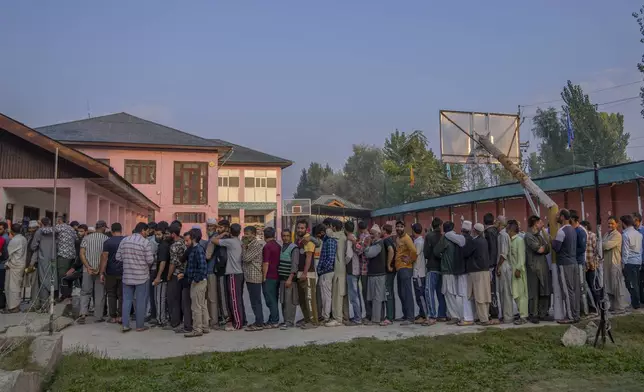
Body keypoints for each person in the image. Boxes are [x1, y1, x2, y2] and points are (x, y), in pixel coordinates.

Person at [116, 222, 154, 332]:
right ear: (142, 230)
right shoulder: (145, 242)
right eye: (147, 231)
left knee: (127, 300)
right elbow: (150, 260)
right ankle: (139, 325)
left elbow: (118, 257)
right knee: (140, 300)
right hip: (141, 276)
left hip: (127, 276)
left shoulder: (124, 240)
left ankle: (125, 325)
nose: (147, 233)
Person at [434, 221, 469, 325]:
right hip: (457, 269)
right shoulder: (458, 238)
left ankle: (454, 316)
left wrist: (442, 257)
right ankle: (460, 314)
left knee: (448, 293)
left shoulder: (445, 238)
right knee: (457, 294)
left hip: (447, 270)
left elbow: (436, 251)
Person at [213, 223, 245, 331]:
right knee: (238, 299)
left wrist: (223, 234)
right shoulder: (239, 242)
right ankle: (241, 320)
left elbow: (214, 241)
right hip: (239, 273)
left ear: (230, 231)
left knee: (234, 300)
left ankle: (237, 324)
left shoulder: (230, 242)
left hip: (233, 274)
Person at [552, 209, 580, 324]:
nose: (556, 217)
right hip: (573, 262)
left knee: (567, 290)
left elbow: (556, 247)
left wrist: (551, 241)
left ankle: (570, 316)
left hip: (564, 263)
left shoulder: (561, 231)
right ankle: (576, 313)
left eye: (558, 215)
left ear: (563, 217)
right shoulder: (573, 230)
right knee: (574, 290)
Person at [78, 220, 109, 324]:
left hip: (87, 270)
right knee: (100, 293)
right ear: (104, 228)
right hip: (101, 270)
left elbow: (81, 253)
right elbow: (106, 256)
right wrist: (100, 269)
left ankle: (83, 313)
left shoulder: (86, 238)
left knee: (85, 291)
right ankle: (98, 316)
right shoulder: (106, 239)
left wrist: (88, 266)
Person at [463, 222, 493, 325]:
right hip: (485, 270)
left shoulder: (474, 242)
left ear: (474, 231)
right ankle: (483, 316)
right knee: (485, 295)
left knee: (479, 296)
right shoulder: (484, 241)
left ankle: (483, 319)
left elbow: (465, 253)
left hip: (476, 271)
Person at [524, 215, 551, 323]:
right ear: (535, 223)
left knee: (544, 290)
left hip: (543, 267)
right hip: (533, 268)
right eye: (541, 223)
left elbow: (547, 248)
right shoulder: (529, 236)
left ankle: (543, 313)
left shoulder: (540, 236)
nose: (543, 225)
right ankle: (533, 314)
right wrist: (545, 246)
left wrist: (545, 245)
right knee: (534, 292)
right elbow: (540, 249)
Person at [40, 216, 77, 296]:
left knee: (62, 275)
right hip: (72, 255)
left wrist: (40, 225)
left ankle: (65, 295)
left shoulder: (60, 227)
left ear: (59, 221)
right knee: (69, 275)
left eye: (57, 221)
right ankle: (69, 293)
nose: (56, 223)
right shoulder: (71, 228)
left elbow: (46, 230)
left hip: (63, 255)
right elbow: (76, 238)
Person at [184, 228, 208, 337]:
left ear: (193, 237)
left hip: (198, 282)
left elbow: (203, 267)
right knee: (202, 305)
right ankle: (204, 326)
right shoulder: (195, 249)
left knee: (196, 306)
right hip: (198, 281)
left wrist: (195, 279)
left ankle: (197, 329)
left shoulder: (198, 249)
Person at [99, 223, 125, 324]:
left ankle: (112, 316)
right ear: (121, 230)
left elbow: (104, 258)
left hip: (110, 272)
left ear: (112, 231)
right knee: (122, 295)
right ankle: (121, 316)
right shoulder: (125, 240)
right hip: (123, 271)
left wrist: (101, 272)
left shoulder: (107, 242)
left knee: (111, 294)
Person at [602, 216, 628, 313]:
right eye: (609, 223)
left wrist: (602, 243)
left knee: (616, 286)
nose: (610, 225)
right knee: (609, 285)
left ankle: (620, 307)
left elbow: (606, 245)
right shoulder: (606, 234)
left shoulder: (617, 235)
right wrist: (602, 244)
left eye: (612, 223)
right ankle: (612, 306)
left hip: (615, 263)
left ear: (617, 224)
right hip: (607, 264)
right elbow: (600, 245)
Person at [296, 220, 319, 328]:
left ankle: (313, 321)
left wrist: (305, 273)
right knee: (302, 300)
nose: (300, 230)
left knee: (309, 299)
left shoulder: (308, 241)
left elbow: (309, 258)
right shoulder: (299, 241)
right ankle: (306, 319)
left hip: (308, 273)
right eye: (299, 227)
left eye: (302, 228)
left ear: (306, 229)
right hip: (300, 273)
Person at [363, 224, 387, 324]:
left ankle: (376, 319)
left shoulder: (379, 244)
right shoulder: (376, 243)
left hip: (378, 274)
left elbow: (369, 254)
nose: (371, 235)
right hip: (374, 274)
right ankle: (377, 317)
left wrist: (367, 245)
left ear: (377, 234)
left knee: (377, 297)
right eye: (370, 233)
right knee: (374, 297)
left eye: (372, 234)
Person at [242, 225, 265, 331]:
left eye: (248, 234)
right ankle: (257, 321)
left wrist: (243, 246)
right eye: (245, 234)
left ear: (254, 234)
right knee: (253, 300)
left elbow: (246, 258)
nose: (246, 236)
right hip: (250, 276)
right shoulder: (250, 244)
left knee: (256, 301)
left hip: (255, 276)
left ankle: (259, 322)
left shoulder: (255, 245)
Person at [424, 217, 446, 325]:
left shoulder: (429, 236)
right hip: (442, 268)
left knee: (429, 291)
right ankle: (442, 314)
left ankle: (432, 315)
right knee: (440, 292)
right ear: (440, 225)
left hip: (432, 267)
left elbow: (426, 254)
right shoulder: (443, 237)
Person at [394, 221, 416, 326]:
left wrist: (409, 260)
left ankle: (410, 317)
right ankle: (405, 315)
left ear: (404, 228)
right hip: (399, 268)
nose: (399, 228)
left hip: (406, 268)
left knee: (407, 293)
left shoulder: (407, 239)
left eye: (401, 227)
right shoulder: (398, 238)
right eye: (397, 226)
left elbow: (414, 251)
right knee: (401, 293)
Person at [31, 217, 55, 311]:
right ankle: (50, 304)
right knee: (52, 280)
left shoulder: (39, 231)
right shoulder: (55, 231)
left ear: (41, 223)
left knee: (43, 281)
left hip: (43, 258)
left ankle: (44, 306)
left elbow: (33, 246)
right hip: (53, 258)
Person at [166, 225, 187, 330]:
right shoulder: (184, 242)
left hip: (176, 274)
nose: (166, 235)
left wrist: (168, 276)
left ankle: (174, 322)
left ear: (173, 234)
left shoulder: (174, 246)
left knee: (172, 299)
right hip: (184, 274)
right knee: (181, 299)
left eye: (168, 233)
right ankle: (181, 320)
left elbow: (173, 263)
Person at [507, 220, 528, 325]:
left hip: (518, 272)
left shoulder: (519, 240)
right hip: (512, 271)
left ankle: (523, 316)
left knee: (521, 295)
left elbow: (521, 257)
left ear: (511, 230)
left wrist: (519, 269)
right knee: (515, 294)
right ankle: (520, 313)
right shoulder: (510, 240)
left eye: (508, 229)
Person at [570, 210, 590, 317]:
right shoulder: (573, 230)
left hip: (579, 262)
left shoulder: (580, 231)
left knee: (582, 287)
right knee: (577, 287)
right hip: (574, 262)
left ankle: (586, 310)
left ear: (573, 220)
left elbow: (582, 248)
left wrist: (570, 252)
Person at [621, 214, 643, 310]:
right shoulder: (639, 234)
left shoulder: (625, 235)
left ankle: (635, 304)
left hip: (629, 261)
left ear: (623, 223)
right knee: (636, 283)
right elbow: (641, 249)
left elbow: (625, 251)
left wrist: (623, 263)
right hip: (638, 261)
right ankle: (637, 302)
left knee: (630, 284)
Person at [278, 228, 299, 329]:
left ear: (291, 237)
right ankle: (286, 320)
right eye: (283, 236)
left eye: (287, 236)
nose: (285, 238)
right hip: (282, 278)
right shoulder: (282, 247)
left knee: (290, 302)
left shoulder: (294, 248)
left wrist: (290, 278)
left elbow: (294, 265)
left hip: (289, 280)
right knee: (283, 302)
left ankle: (290, 322)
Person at [4, 224, 27, 313]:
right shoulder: (23, 238)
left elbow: (8, 254)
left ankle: (13, 307)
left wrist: (7, 263)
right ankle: (16, 305)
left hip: (14, 265)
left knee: (12, 287)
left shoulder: (14, 240)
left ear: (12, 231)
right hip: (21, 264)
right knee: (17, 285)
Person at [151, 222, 171, 327]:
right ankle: (161, 318)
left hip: (162, 277)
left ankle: (161, 319)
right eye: (156, 235)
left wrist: (158, 277)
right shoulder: (164, 244)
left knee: (159, 298)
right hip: (163, 276)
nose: (157, 237)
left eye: (158, 234)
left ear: (163, 234)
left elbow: (162, 262)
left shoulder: (163, 246)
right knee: (160, 298)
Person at [495, 216, 513, 323]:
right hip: (502, 265)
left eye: (496, 221)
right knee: (502, 292)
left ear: (500, 223)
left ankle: (508, 316)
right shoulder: (501, 235)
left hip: (503, 265)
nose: (495, 222)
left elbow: (503, 254)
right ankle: (505, 314)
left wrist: (498, 266)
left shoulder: (503, 235)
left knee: (506, 291)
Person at [202, 218, 219, 329]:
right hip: (210, 270)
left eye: (211, 226)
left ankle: (214, 322)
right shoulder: (212, 237)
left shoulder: (213, 238)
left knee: (212, 298)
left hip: (211, 271)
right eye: (208, 226)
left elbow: (207, 255)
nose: (209, 228)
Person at [581, 220, 600, 315]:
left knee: (593, 287)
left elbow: (596, 251)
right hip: (584, 265)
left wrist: (594, 263)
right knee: (585, 288)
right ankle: (590, 307)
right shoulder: (581, 235)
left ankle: (598, 307)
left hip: (591, 265)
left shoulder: (592, 235)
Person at [482, 213, 500, 320]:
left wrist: (490, 264)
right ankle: (495, 312)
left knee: (491, 290)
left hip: (490, 265)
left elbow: (491, 250)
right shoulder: (496, 232)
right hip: (496, 263)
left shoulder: (488, 233)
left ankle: (494, 313)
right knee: (493, 290)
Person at [345, 220, 363, 326]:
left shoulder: (349, 239)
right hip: (357, 269)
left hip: (351, 269)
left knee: (353, 295)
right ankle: (359, 316)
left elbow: (348, 255)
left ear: (345, 229)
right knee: (357, 294)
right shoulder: (355, 238)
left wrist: (343, 262)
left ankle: (357, 318)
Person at [411, 223, 427, 324]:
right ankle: (421, 313)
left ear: (413, 231)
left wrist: (406, 259)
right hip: (416, 272)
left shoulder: (419, 242)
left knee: (420, 295)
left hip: (419, 272)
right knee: (418, 295)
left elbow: (414, 256)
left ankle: (424, 315)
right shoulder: (417, 241)